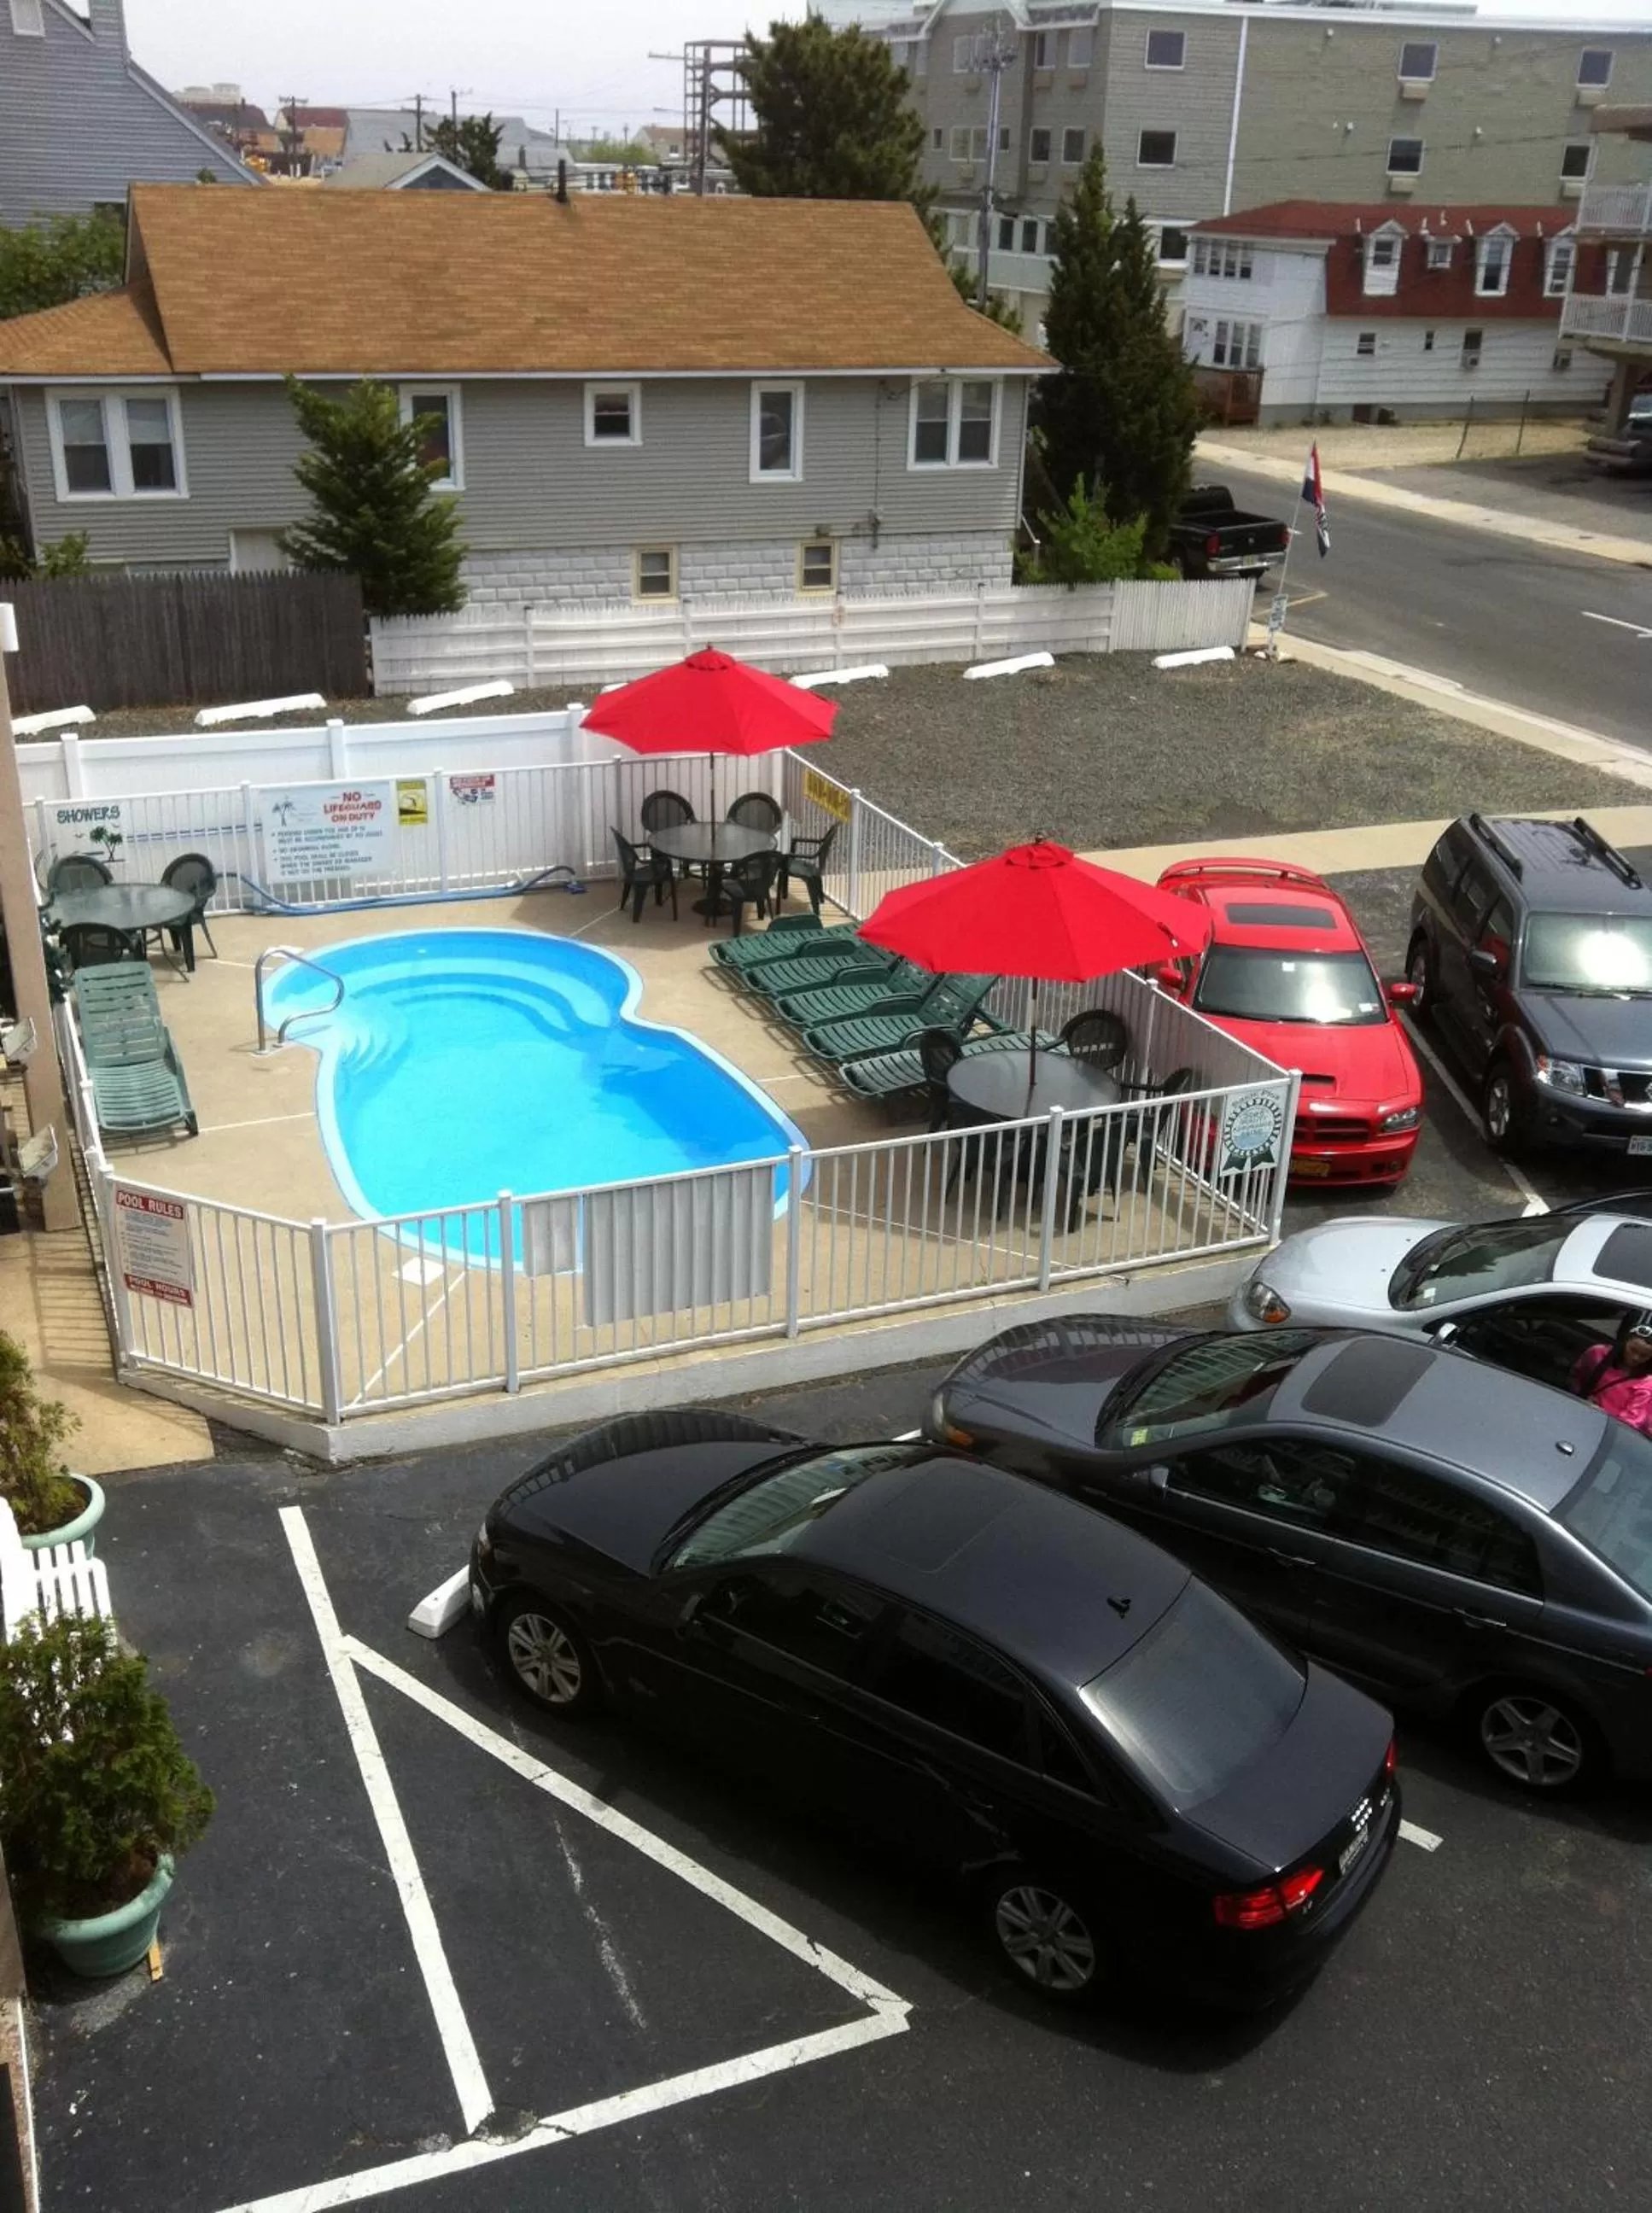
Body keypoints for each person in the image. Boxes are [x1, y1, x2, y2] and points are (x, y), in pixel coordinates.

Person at [1570, 1315, 1652, 1433]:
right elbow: (1575, 1376)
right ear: (1625, 1342)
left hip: (1604, 1431)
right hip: (1577, 1412)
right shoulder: (1598, 1354)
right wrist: (1581, 1396)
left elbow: (1630, 1423)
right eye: (1633, 1350)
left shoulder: (1646, 1383)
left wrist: (1602, 1413)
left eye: (1644, 1356)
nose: (1636, 1357)